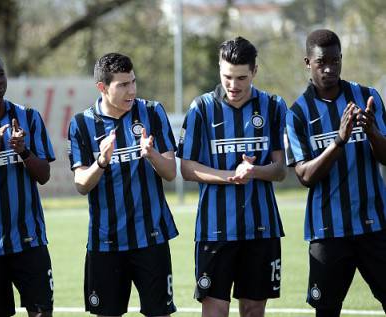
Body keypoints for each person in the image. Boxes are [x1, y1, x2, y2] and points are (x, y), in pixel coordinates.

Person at [177, 37, 287, 317]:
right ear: (219, 70)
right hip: (215, 231)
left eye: (241, 77)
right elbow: (187, 168)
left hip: (261, 228)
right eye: (227, 76)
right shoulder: (201, 108)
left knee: (252, 310)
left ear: (255, 71)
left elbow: (280, 169)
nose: (233, 85)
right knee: (214, 310)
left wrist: (254, 171)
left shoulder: (273, 106)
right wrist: (231, 177)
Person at [68, 52, 178, 317]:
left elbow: (171, 172)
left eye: (133, 82)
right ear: (102, 87)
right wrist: (101, 162)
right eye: (123, 85)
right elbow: (81, 184)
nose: (132, 90)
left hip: (151, 237)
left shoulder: (152, 112)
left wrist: (152, 155)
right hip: (105, 243)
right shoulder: (81, 124)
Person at [285, 29, 386, 316]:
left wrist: (372, 132)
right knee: (327, 311)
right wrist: (339, 140)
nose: (329, 68)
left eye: (335, 61)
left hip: (376, 225)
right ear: (308, 62)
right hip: (328, 232)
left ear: (341, 59)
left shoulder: (368, 97)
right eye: (321, 62)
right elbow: (304, 176)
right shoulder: (298, 114)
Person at [0, 50, 55, 317]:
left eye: (0, 74)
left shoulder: (29, 118)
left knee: (42, 313)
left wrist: (24, 152)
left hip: (30, 240)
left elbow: (44, 176)